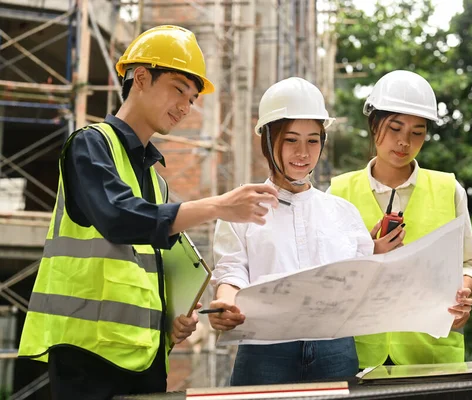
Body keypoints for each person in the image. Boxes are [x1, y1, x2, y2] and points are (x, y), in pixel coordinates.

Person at [18, 25, 279, 399]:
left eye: (191, 98)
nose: (185, 108)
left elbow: (147, 271)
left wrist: (172, 319)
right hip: (87, 357)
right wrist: (219, 205)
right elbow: (119, 218)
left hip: (146, 357)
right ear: (141, 77)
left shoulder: (157, 182)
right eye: (178, 90)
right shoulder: (90, 145)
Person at [206, 77, 376, 385]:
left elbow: (361, 279)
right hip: (264, 351)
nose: (303, 152)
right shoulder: (241, 206)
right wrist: (225, 302)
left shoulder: (343, 213)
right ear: (269, 142)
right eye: (291, 140)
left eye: (312, 140)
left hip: (335, 349)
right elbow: (231, 272)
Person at [328, 70, 472, 368]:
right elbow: (324, 272)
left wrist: (464, 292)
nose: (404, 142)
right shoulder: (337, 192)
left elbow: (469, 264)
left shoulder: (449, 189)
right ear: (374, 125)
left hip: (432, 355)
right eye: (395, 128)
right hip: (357, 355)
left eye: (417, 132)